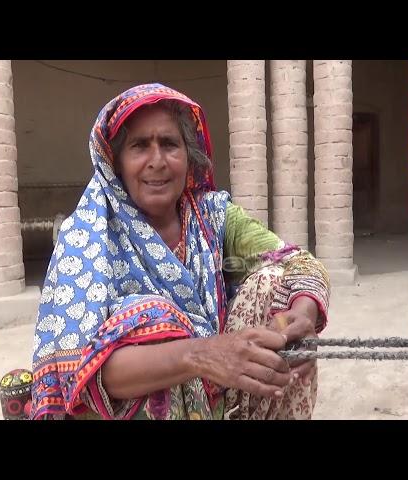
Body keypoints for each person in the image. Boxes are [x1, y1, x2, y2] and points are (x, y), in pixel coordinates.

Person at [24, 83, 330, 420]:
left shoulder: (211, 215)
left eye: (169, 144)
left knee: (274, 283)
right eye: (139, 146)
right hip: (122, 408)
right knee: (153, 317)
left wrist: (299, 317)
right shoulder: (87, 235)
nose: (157, 161)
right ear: (117, 162)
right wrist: (200, 354)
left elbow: (297, 261)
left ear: (189, 157)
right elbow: (77, 370)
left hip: (218, 392)